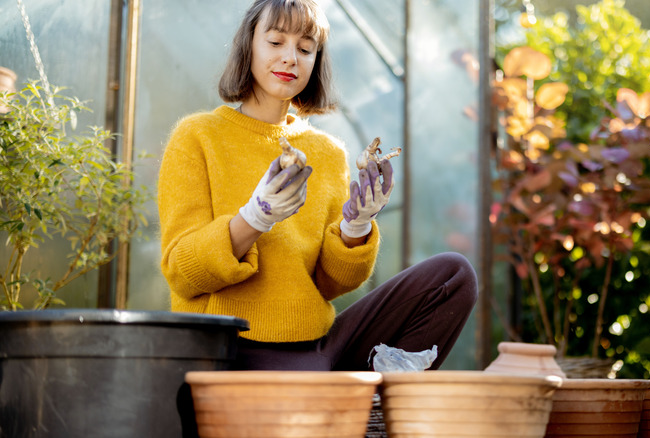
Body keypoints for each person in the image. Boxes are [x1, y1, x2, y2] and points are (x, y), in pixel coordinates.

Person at [157, 0, 477, 371]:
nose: (291, 58)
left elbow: (330, 283)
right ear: (248, 46)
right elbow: (182, 272)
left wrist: (353, 228)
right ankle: (359, 409)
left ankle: (383, 402)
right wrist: (254, 218)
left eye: (305, 48)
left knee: (453, 275)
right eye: (276, 42)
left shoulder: (327, 153)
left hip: (316, 346)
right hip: (228, 348)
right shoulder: (197, 136)